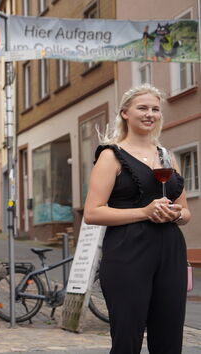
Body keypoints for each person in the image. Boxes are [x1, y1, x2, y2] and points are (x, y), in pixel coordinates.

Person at [84, 83, 190, 354]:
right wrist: (144, 212)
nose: (149, 114)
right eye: (142, 108)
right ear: (124, 113)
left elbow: (185, 212)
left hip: (170, 251)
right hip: (127, 251)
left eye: (155, 109)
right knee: (127, 338)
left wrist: (175, 214)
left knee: (169, 337)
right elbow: (92, 212)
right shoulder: (110, 155)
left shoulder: (166, 156)